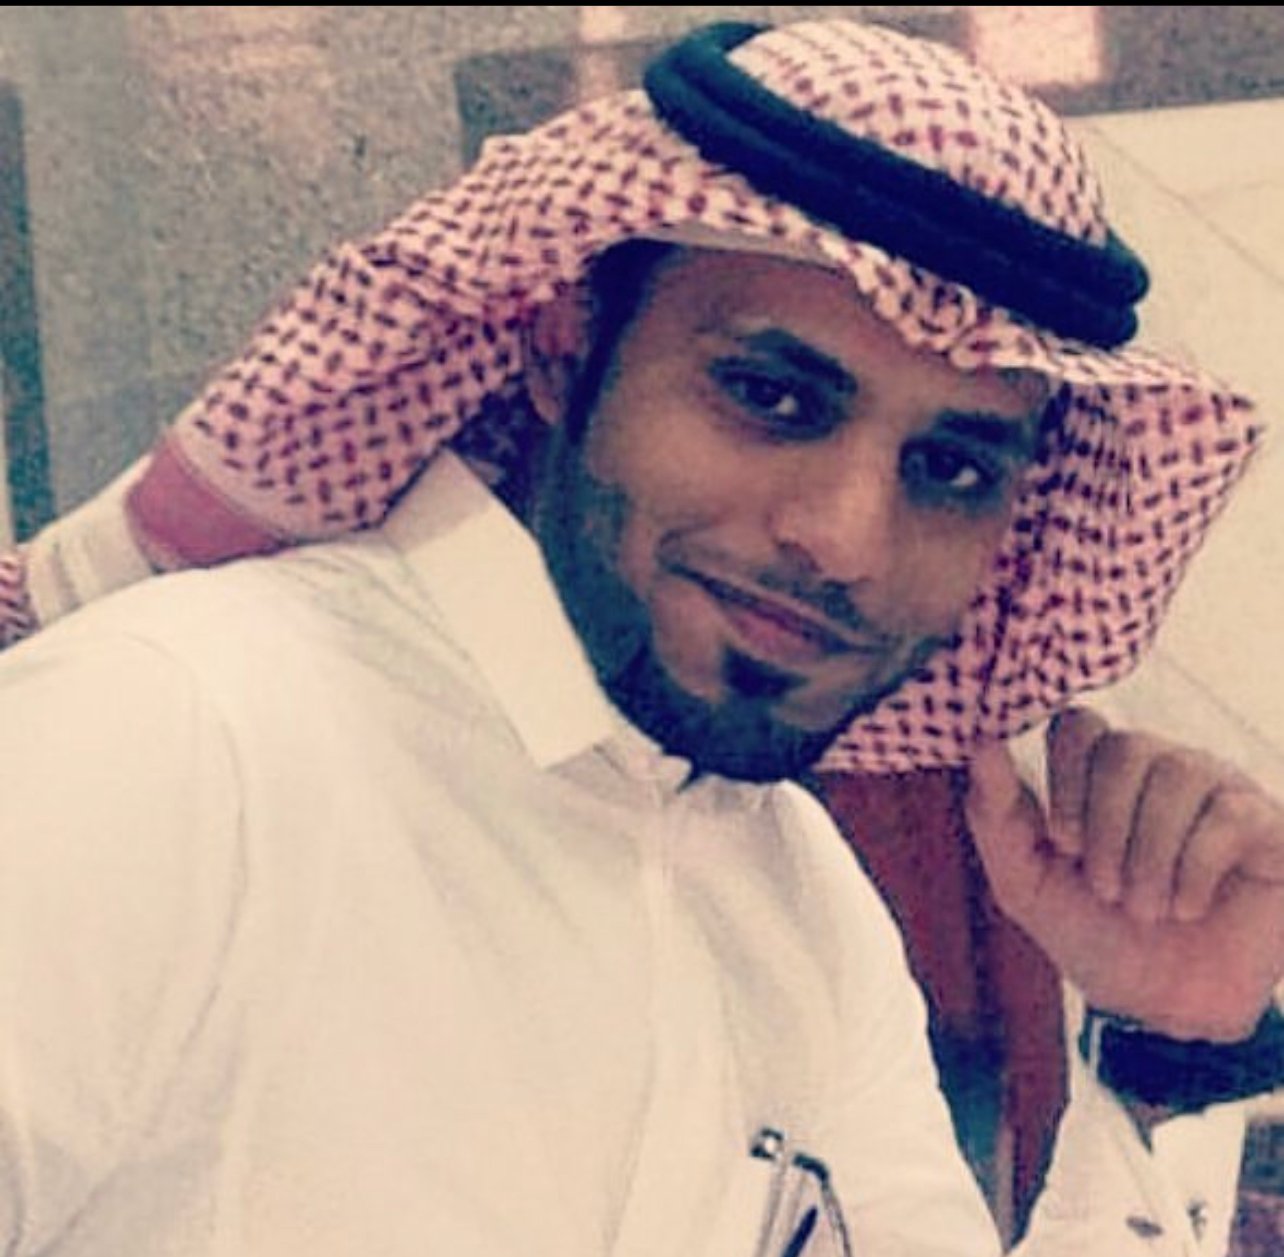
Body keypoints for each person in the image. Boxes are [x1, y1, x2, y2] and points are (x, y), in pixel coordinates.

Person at [0, 18, 1280, 1256]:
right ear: (564, 350)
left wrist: (1169, 1052)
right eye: (773, 396)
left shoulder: (799, 894)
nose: (848, 540)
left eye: (949, 469)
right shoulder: (175, 736)